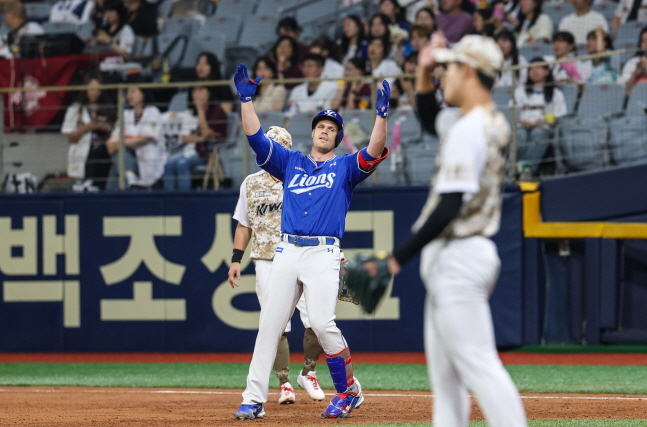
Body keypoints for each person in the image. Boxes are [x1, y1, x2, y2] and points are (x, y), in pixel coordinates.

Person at [382, 35, 528, 427]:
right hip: (461, 256)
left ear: (467, 70)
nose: (442, 75)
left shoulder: (470, 129)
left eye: (448, 67)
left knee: (480, 366)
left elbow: (449, 206)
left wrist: (396, 259)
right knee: (446, 383)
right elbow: (430, 116)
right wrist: (425, 69)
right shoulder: (485, 121)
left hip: (459, 256)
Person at [231, 62, 390, 420]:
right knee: (270, 324)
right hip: (286, 249)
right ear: (313, 132)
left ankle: (348, 391)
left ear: (336, 137)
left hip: (322, 251)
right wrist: (245, 100)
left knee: (321, 322)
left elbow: (375, 150)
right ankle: (253, 399)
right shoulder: (292, 163)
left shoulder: (345, 168)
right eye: (320, 125)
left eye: (332, 128)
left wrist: (381, 116)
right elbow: (256, 138)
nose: (325, 131)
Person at [228, 126, 327, 405]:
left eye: (276, 148)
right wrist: (236, 259)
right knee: (275, 324)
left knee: (317, 320)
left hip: (303, 256)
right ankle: (284, 383)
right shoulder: (251, 183)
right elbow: (244, 224)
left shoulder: (306, 177)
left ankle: (308, 373)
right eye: (267, 147)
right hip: (266, 259)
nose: (269, 153)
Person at [162, 84, 228, 190]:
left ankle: (184, 198)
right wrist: (200, 138)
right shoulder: (189, 112)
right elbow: (184, 137)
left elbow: (207, 134)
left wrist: (200, 110)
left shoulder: (217, 111)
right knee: (168, 164)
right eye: (194, 91)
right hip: (191, 150)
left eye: (201, 90)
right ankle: (168, 200)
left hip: (209, 153)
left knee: (181, 164)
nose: (197, 94)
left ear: (209, 92)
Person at [514, 57, 568, 175]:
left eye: (538, 68)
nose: (534, 71)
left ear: (547, 71)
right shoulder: (520, 91)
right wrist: (523, 121)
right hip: (522, 125)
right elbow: (513, 112)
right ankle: (521, 169)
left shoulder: (556, 93)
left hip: (543, 127)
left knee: (538, 133)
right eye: (531, 69)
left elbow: (560, 115)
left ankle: (522, 169)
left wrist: (541, 121)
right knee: (520, 135)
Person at [61, 75, 115, 190]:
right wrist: (87, 128)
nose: (95, 93)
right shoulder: (75, 109)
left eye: (98, 90)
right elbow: (71, 138)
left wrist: (106, 128)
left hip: (105, 151)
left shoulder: (107, 108)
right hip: (85, 152)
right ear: (85, 89)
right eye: (92, 89)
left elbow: (116, 132)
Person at [105, 84, 164, 190]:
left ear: (143, 94)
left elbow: (145, 138)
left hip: (147, 161)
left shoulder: (152, 112)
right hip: (129, 159)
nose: (129, 95)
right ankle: (130, 177)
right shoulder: (125, 114)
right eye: (128, 92)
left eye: (133, 92)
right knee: (118, 157)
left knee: (117, 165)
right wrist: (114, 143)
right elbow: (111, 141)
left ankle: (127, 179)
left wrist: (120, 142)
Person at [284, 54, 340, 121]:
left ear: (320, 69)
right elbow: (289, 115)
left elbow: (330, 112)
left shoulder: (332, 88)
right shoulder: (296, 90)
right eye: (304, 66)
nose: (306, 70)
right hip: (299, 126)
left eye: (310, 66)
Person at [619, 26, 647, 92]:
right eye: (643, 41)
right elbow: (625, 91)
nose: (646, 44)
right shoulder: (632, 62)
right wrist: (636, 73)